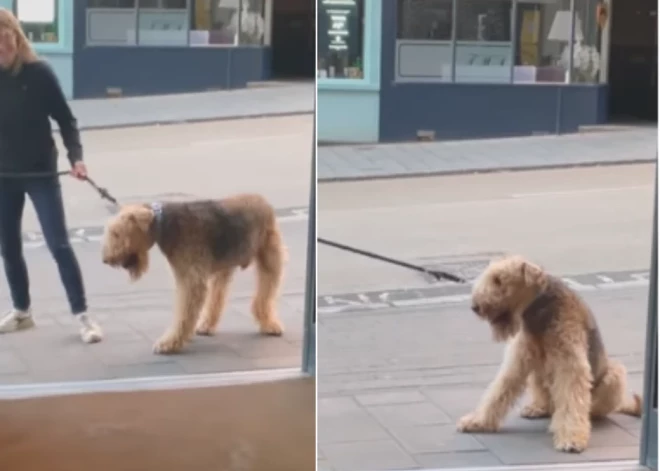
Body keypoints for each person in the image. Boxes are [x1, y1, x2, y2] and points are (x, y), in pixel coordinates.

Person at [0, 8, 102, 343]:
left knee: (58, 244)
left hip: (41, 173)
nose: (2, 50)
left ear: (16, 37)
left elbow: (66, 120)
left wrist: (77, 158)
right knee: (9, 246)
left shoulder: (40, 73)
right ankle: (22, 311)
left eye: (6, 40)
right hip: (4, 176)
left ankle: (83, 315)